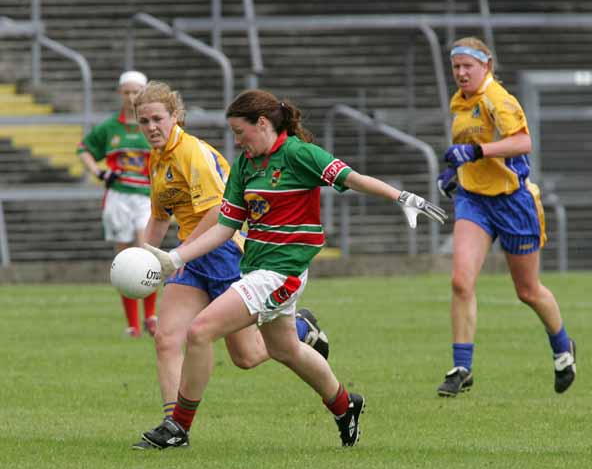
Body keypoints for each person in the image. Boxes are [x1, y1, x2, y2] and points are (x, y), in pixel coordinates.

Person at [141, 88, 446, 449]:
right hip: (255, 267)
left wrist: (401, 197)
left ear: (264, 123)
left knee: (200, 331)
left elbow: (353, 178)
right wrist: (176, 258)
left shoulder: (300, 154)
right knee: (281, 351)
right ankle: (345, 405)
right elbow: (225, 227)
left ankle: (178, 427)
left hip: (282, 272)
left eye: (241, 132)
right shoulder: (244, 166)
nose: (237, 141)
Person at [130, 82, 330, 449]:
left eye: (157, 118)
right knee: (167, 338)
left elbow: (216, 213)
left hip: (221, 254)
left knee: (247, 356)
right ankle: (174, 425)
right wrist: (142, 258)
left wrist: (179, 255)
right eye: (143, 121)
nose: (151, 126)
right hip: (190, 256)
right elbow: (160, 217)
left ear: (175, 116)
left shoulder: (192, 153)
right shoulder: (155, 159)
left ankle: (301, 330)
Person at [435, 36, 576, 397]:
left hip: (513, 202)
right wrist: (454, 174)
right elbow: (467, 155)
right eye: (456, 66)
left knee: (528, 291)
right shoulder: (460, 102)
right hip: (474, 202)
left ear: (487, 66)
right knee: (460, 281)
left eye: (468, 66)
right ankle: (461, 367)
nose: (461, 72)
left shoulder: (497, 99)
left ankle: (562, 348)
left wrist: (476, 152)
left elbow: (522, 143)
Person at [78, 70, 158, 338]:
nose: (131, 97)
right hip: (118, 197)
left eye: (136, 92)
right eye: (126, 92)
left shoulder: (154, 125)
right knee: (124, 259)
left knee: (146, 253)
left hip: (146, 197)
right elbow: (84, 149)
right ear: (119, 94)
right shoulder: (110, 126)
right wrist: (98, 172)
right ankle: (133, 325)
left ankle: (151, 317)